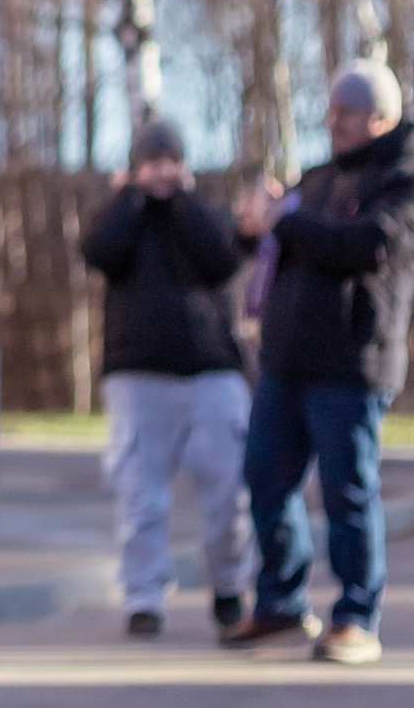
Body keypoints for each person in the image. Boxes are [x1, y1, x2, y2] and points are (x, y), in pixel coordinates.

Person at [229, 62, 414, 666]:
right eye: (332, 110)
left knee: (347, 494)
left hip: (352, 362)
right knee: (265, 478)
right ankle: (281, 604)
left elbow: (367, 245)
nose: (333, 121)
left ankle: (357, 618)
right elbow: (283, 240)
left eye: (347, 112)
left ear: (381, 118)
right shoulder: (320, 176)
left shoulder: (402, 178)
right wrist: (256, 224)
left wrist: (290, 220)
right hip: (287, 360)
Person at [78, 116, 250, 642]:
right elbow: (98, 252)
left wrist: (182, 203)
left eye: (171, 163)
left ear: (185, 166)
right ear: (134, 169)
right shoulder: (120, 216)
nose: (162, 174)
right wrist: (131, 200)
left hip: (212, 371)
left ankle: (229, 586)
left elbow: (224, 260)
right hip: (138, 374)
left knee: (227, 491)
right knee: (141, 495)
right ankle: (143, 597)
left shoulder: (202, 214)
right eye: (152, 164)